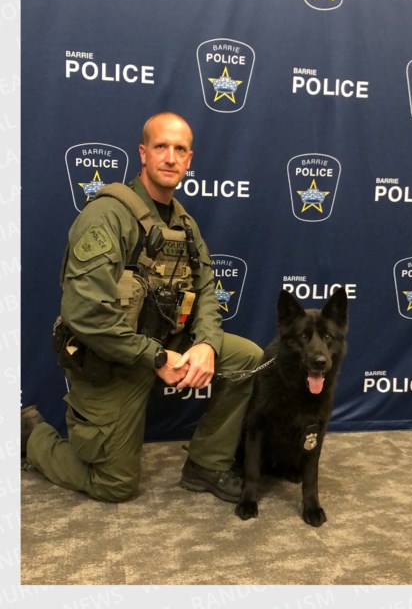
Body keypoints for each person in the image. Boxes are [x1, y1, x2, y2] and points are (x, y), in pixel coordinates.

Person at [22, 112, 262, 503]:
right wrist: (155, 357)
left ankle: (206, 463)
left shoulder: (185, 225)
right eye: (161, 147)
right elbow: (85, 314)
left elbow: (205, 291)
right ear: (143, 154)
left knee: (245, 358)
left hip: (165, 346)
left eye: (179, 149)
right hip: (114, 361)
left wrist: (205, 344)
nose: (170, 157)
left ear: (189, 159)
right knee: (113, 485)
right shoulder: (108, 215)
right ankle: (32, 437)